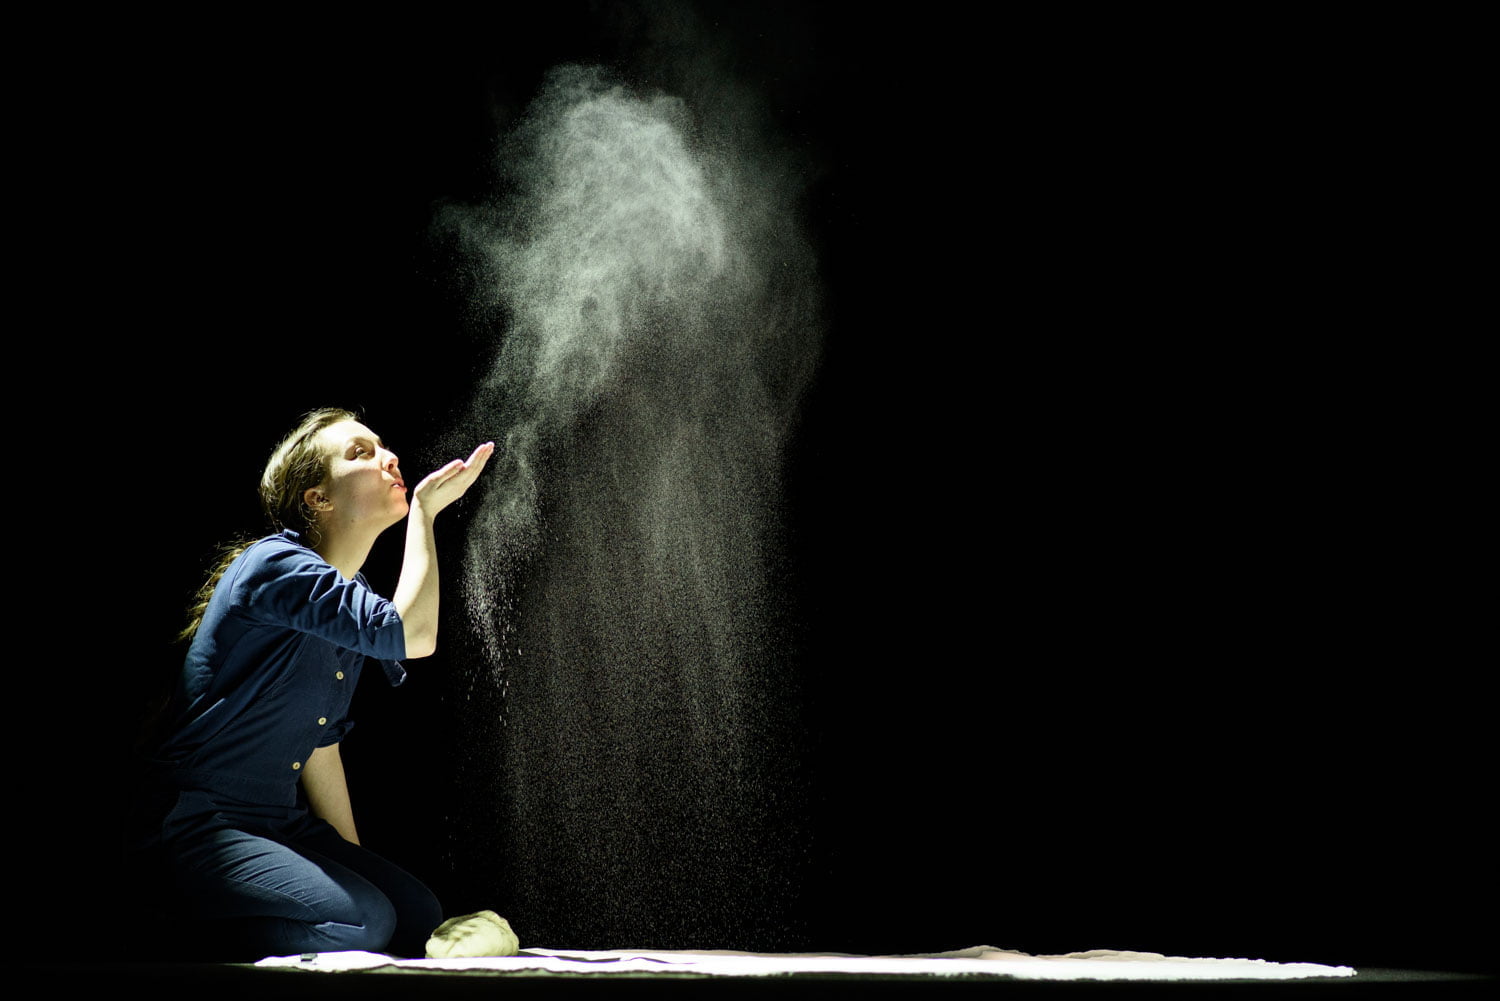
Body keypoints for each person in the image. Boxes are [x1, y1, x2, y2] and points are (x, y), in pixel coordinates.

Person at [133, 407, 493, 959]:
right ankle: (159, 940)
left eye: (382, 446)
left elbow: (321, 744)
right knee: (365, 925)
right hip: (197, 822)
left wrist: (352, 867)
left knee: (413, 916)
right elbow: (413, 635)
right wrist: (423, 513)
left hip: (278, 823)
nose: (388, 457)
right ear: (318, 498)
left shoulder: (350, 594)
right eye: (360, 453)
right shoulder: (274, 565)